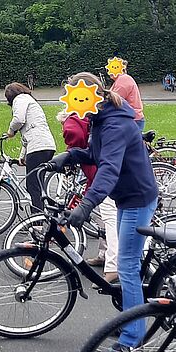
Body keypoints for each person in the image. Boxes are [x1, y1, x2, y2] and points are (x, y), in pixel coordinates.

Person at [44, 72, 159, 352]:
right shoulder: (101, 117)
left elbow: (109, 169)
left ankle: (133, 338)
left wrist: (87, 204)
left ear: (91, 96)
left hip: (135, 198)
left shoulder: (114, 124)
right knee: (127, 262)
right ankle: (132, 316)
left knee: (127, 267)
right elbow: (98, 154)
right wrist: (72, 156)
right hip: (127, 197)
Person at [56, 108, 118, 282]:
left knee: (109, 218)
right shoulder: (91, 121)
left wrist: (71, 152)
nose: (62, 131)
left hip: (103, 178)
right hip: (100, 175)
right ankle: (104, 253)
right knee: (102, 218)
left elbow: (74, 136)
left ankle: (114, 266)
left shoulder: (71, 123)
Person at [4, 82, 57, 212]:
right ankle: (42, 214)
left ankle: (37, 221)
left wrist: (10, 132)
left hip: (38, 146)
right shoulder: (30, 100)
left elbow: (18, 120)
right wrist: (22, 155)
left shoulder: (20, 99)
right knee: (38, 184)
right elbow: (28, 132)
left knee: (33, 185)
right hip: (45, 144)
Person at [107, 59, 145, 131]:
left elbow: (114, 101)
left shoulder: (123, 80)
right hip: (131, 118)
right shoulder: (121, 79)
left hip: (131, 120)